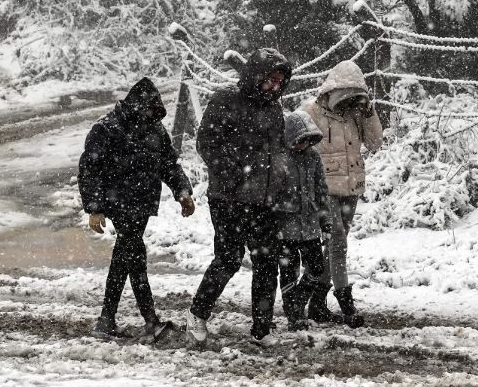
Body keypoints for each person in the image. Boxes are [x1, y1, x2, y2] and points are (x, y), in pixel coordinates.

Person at [186, 47, 292, 346]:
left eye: (279, 82)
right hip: (228, 198)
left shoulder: (274, 109)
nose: (275, 86)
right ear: (256, 75)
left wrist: (280, 179)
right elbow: (206, 143)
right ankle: (197, 314)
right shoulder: (225, 100)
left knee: (266, 262)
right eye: (270, 79)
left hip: (265, 199)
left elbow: (279, 149)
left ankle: (262, 329)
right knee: (228, 260)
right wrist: (234, 175)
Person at [78, 77, 195, 342]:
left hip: (142, 205)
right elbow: (89, 170)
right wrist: (95, 208)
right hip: (118, 203)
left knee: (125, 257)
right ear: (134, 106)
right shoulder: (107, 129)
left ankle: (106, 320)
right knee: (135, 256)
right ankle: (150, 321)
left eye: (154, 111)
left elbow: (169, 164)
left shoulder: (155, 130)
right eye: (146, 110)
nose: (150, 115)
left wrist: (183, 191)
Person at [302, 60, 383, 328]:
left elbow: (374, 143)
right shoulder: (310, 112)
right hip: (324, 191)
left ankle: (316, 301)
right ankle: (346, 304)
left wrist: (369, 113)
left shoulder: (356, 114)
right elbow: (293, 142)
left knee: (333, 248)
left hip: (351, 189)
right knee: (337, 245)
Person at [273, 110, 332, 331]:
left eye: (308, 140)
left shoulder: (313, 157)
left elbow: (321, 191)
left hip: (310, 227)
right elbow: (271, 195)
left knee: (316, 268)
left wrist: (325, 223)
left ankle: (298, 299)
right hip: (285, 228)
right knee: (289, 272)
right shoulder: (280, 159)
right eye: (300, 140)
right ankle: (294, 315)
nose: (304, 145)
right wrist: (275, 224)